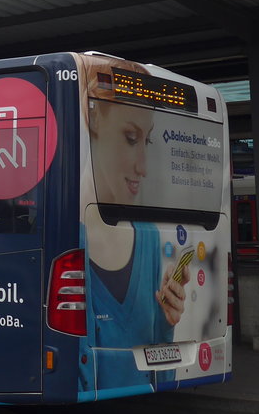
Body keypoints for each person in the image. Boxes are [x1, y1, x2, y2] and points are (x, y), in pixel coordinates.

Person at [79, 57, 186, 389]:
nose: (143, 167)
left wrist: (167, 325)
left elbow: (157, 376)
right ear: (93, 119)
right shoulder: (67, 238)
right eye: (130, 137)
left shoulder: (149, 238)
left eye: (147, 141)